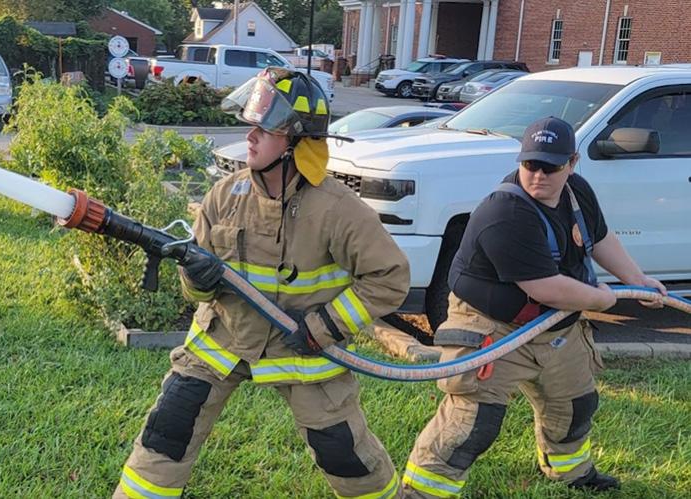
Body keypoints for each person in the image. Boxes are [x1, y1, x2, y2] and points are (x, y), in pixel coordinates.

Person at [114, 67, 411, 499]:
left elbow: (390, 277)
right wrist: (195, 277)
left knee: (341, 451)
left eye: (265, 129)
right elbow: (196, 292)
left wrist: (323, 327)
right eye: (251, 125)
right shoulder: (225, 195)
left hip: (304, 350)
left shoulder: (338, 210)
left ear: (296, 144)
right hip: (222, 341)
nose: (250, 136)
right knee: (170, 426)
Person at [400, 117, 668, 498]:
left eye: (550, 166)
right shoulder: (505, 211)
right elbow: (546, 288)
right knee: (473, 422)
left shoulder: (577, 193)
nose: (538, 175)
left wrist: (637, 280)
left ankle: (570, 472)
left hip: (557, 326)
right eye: (531, 164)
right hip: (493, 327)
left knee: (575, 404)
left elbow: (600, 237)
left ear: (572, 163)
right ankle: (420, 491)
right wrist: (602, 298)